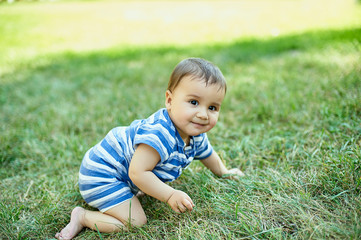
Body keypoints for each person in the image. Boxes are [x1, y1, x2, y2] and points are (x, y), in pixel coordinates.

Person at [55, 58, 244, 239]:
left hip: (121, 173)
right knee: (135, 221)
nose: (203, 114)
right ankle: (83, 217)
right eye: (193, 102)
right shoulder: (160, 134)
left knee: (142, 189)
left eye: (212, 107)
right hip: (101, 175)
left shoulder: (195, 134)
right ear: (169, 100)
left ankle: (129, 192)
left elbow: (207, 153)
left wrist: (224, 172)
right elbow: (137, 172)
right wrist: (169, 194)